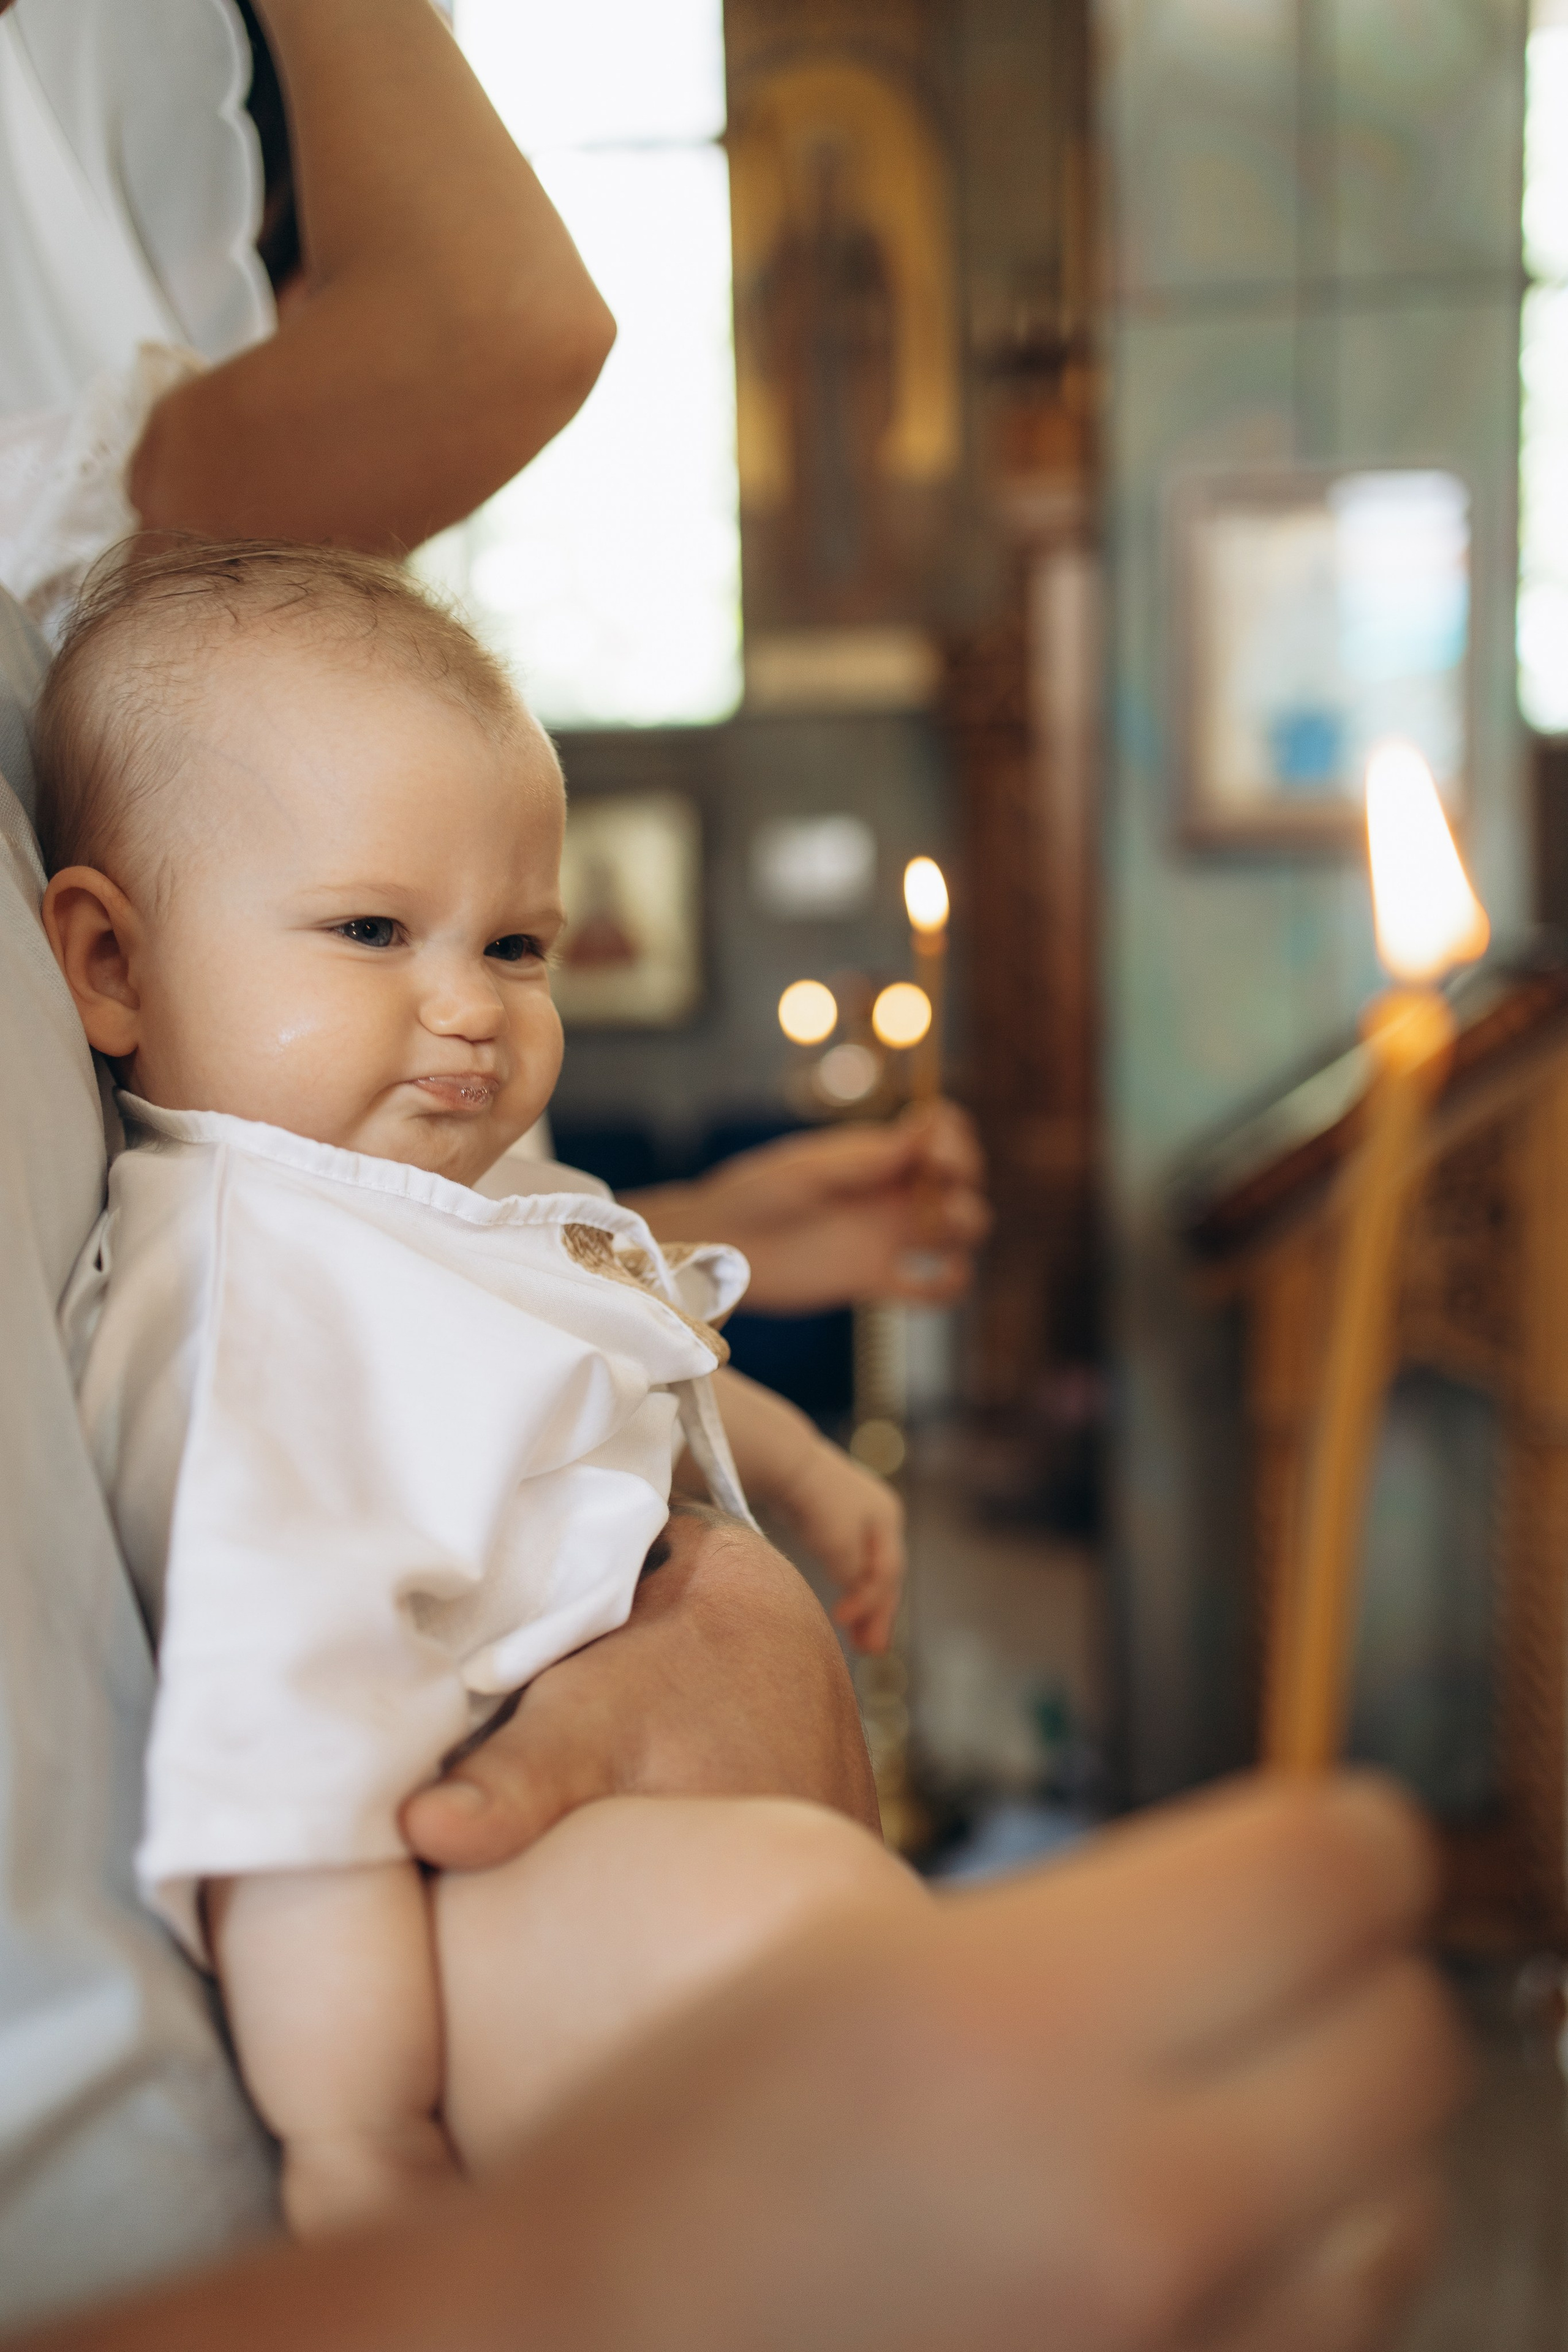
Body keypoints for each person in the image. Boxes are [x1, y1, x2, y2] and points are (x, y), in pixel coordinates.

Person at [40, 537, 918, 2234]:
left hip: (596, 1824)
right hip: (457, 1931)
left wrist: (798, 1469)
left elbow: (600, 1337)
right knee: (849, 1984)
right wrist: (360, 2139)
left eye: (518, 947)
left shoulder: (410, 1204)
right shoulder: (260, 1290)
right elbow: (282, 1738)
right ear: (113, 968)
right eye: (373, 930)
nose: (470, 1010)